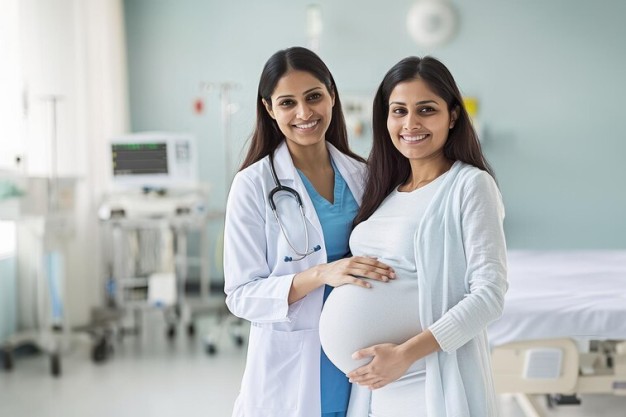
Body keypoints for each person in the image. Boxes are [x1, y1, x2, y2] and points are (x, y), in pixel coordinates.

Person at [321, 56, 508, 416]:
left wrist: (404, 355)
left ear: (452, 115)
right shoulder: (386, 190)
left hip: (427, 377)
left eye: (426, 110)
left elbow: (489, 295)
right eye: (399, 111)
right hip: (378, 387)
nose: (411, 123)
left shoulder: (470, 185)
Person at [222, 46, 396, 417]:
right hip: (295, 360)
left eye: (314, 97)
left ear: (332, 96)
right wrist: (322, 273)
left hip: (357, 349)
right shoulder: (253, 184)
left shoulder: (363, 175)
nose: (304, 113)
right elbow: (240, 295)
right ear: (269, 109)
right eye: (288, 103)